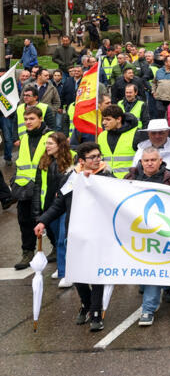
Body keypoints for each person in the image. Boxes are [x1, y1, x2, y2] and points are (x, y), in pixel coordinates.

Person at [34, 141, 114, 331]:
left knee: (96, 274)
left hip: (98, 233)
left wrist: (92, 184)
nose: (97, 160)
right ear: (81, 160)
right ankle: (86, 304)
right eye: (92, 157)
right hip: (76, 232)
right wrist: (43, 221)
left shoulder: (107, 176)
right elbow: (59, 204)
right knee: (77, 273)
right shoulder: (70, 178)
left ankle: (96, 313)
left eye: (98, 156)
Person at [124, 146, 170, 325]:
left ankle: (148, 309)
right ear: (141, 162)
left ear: (160, 161)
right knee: (145, 272)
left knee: (154, 268)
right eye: (146, 160)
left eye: (153, 160)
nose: (149, 163)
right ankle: (161, 288)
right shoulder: (130, 178)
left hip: (163, 232)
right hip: (137, 232)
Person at [31, 131, 73, 286]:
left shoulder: (71, 160)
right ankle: (62, 267)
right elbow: (38, 186)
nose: (46, 146)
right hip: (50, 207)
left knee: (63, 239)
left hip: (65, 207)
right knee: (56, 240)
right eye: (46, 143)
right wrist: (38, 211)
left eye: (50, 143)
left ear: (60, 145)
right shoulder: (44, 161)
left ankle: (66, 272)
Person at [11, 106, 50, 269]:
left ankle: (57, 249)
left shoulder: (50, 136)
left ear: (40, 119)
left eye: (31, 119)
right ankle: (27, 252)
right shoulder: (24, 138)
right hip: (25, 188)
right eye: (26, 119)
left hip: (45, 188)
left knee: (49, 222)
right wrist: (14, 181)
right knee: (24, 221)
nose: (28, 122)